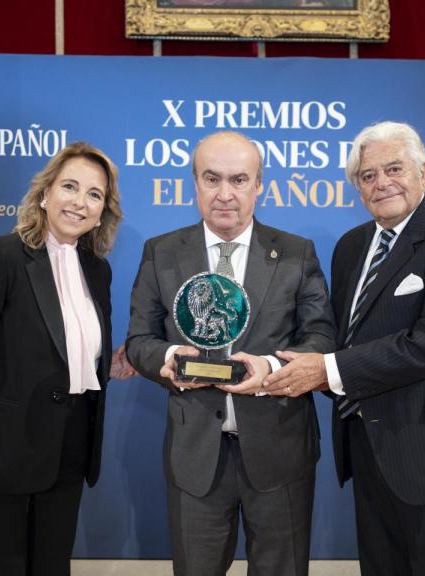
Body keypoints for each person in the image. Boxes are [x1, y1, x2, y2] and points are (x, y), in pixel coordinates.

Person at [263, 121, 425, 575]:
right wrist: (274, 363)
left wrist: (325, 371)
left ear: (424, 172)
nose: (381, 183)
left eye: (394, 168)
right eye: (368, 175)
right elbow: (340, 336)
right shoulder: (352, 246)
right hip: (370, 445)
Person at [126, 131, 335, 576]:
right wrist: (167, 360)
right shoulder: (161, 252)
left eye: (239, 180)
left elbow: (320, 339)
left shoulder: (297, 254)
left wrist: (273, 368)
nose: (225, 194)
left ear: (259, 184)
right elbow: (139, 340)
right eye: (211, 178)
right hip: (195, 456)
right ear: (193, 183)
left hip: (280, 450)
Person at [0, 141, 129, 576]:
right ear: (45, 194)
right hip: (0, 445)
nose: (80, 202)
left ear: (103, 212)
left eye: (94, 194)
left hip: (70, 443)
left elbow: (75, 346)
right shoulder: (1, 255)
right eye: (70, 186)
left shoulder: (97, 270)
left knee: (51, 564)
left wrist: (108, 362)